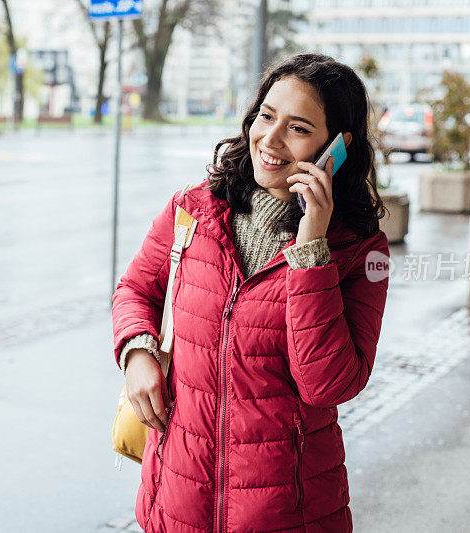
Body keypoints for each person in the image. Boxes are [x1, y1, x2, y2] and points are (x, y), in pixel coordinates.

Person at [112, 53, 390, 532]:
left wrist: (311, 248)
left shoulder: (362, 250)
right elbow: (136, 289)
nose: (271, 139)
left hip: (289, 514)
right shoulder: (192, 210)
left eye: (298, 128)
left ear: (337, 147)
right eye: (266, 116)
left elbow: (329, 384)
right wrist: (138, 352)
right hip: (178, 500)